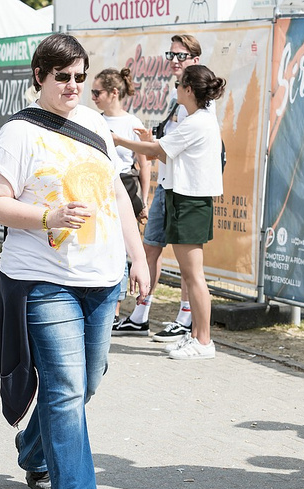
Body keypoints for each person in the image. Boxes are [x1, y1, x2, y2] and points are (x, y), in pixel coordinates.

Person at [0, 33, 149, 489]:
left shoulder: (95, 122)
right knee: (67, 387)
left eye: (80, 77)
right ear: (40, 77)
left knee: (86, 382)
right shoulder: (19, 132)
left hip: (102, 277)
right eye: (63, 77)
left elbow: (117, 193)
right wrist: (46, 214)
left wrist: (137, 257)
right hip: (44, 278)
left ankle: (35, 449)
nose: (73, 86)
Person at [114, 65, 225, 360]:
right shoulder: (195, 120)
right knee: (190, 276)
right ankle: (196, 337)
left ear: (189, 89)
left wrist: (118, 139)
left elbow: (156, 151)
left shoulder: (197, 122)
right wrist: (145, 140)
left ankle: (203, 341)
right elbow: (161, 150)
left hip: (190, 201)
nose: (175, 88)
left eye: (179, 84)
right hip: (184, 199)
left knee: (194, 276)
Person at [113, 34, 201, 343]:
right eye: (171, 54)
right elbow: (164, 144)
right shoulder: (178, 98)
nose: (175, 61)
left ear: (195, 59)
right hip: (168, 184)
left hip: (185, 190)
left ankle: (186, 317)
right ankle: (140, 314)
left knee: (188, 259)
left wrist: (128, 141)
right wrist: (150, 140)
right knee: (150, 248)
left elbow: (172, 146)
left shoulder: (197, 98)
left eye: (182, 55)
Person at [91, 67, 152, 324]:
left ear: (114, 93)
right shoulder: (93, 120)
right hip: (96, 187)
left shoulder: (131, 123)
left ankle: (115, 308)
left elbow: (145, 162)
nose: (92, 97)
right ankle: (103, 302)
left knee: (122, 248)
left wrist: (144, 200)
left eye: (97, 92)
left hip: (125, 187)